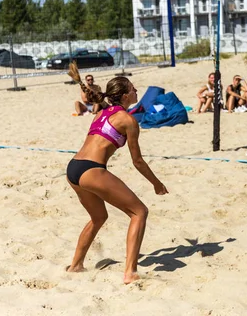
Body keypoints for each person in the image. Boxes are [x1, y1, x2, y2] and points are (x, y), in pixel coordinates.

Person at [65, 62, 169, 284]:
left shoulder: (101, 112)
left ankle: (76, 265)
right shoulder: (129, 121)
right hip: (91, 170)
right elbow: (138, 161)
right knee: (139, 212)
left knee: (98, 217)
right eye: (133, 89)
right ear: (123, 96)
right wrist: (156, 183)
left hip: (73, 168)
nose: (136, 91)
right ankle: (130, 272)